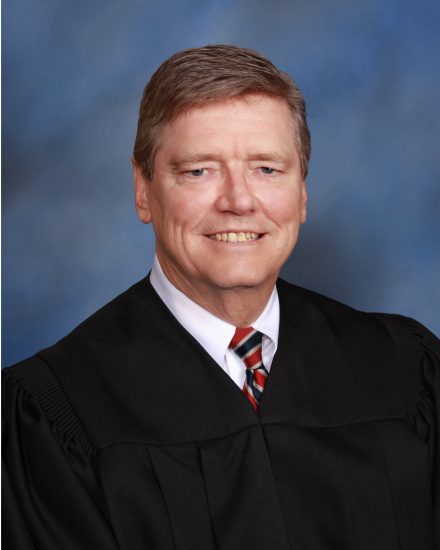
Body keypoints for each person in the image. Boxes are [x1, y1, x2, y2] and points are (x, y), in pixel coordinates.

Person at [3, 44, 439, 550]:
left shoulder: (402, 370)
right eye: (198, 171)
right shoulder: (56, 413)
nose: (237, 201)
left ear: (302, 194)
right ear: (143, 189)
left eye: (267, 169)